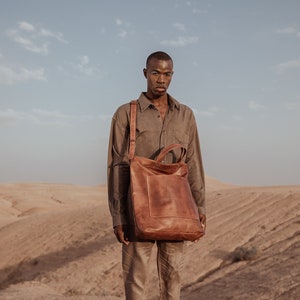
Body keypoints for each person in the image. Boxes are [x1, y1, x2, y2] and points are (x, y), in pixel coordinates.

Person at [107, 51, 206, 300]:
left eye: (167, 74)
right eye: (155, 73)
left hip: (176, 209)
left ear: (172, 75)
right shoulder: (125, 114)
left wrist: (199, 206)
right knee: (136, 281)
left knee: (173, 280)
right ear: (145, 73)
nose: (161, 79)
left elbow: (193, 162)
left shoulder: (185, 115)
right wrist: (119, 216)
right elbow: (117, 166)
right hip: (137, 208)